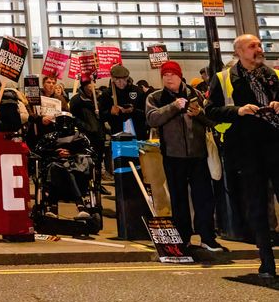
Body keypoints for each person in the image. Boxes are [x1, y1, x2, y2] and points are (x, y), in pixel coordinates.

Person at [206, 34, 279, 277]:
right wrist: (238, 110)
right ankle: (266, 260)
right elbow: (211, 111)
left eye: (259, 45)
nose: (258, 49)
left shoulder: (273, 75)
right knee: (257, 205)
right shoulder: (224, 78)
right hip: (247, 150)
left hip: (275, 145)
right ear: (238, 52)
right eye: (252, 46)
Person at [145, 61, 224, 252]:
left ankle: (207, 236)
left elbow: (212, 120)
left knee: (204, 197)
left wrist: (199, 113)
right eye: (165, 75)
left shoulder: (195, 94)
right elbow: (152, 119)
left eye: (172, 74)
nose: (168, 78)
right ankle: (183, 237)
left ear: (180, 76)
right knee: (178, 198)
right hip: (173, 155)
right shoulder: (155, 97)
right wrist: (173, 106)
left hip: (198, 155)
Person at [69, 73, 112, 165]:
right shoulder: (76, 100)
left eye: (94, 82)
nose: (93, 85)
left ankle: (98, 177)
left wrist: (101, 114)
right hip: (85, 137)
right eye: (90, 83)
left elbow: (105, 115)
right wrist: (86, 127)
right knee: (87, 162)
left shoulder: (100, 98)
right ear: (84, 85)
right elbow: (73, 118)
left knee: (99, 161)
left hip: (99, 135)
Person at [105, 64, 147, 139]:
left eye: (124, 80)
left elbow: (146, 113)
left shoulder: (137, 91)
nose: (121, 83)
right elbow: (101, 116)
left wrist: (133, 110)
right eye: (117, 80)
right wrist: (111, 112)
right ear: (112, 79)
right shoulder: (107, 93)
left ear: (127, 77)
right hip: (118, 133)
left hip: (138, 132)